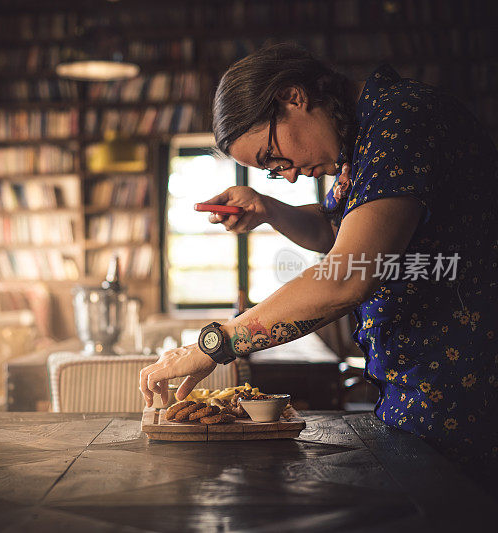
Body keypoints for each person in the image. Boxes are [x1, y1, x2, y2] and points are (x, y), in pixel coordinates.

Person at [139, 43, 498, 489]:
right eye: (271, 171)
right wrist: (269, 208)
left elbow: (348, 273)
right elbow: (337, 231)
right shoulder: (363, 137)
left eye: (272, 156)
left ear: (294, 97)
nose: (286, 174)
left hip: (467, 394)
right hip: (418, 387)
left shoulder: (401, 122)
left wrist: (216, 343)